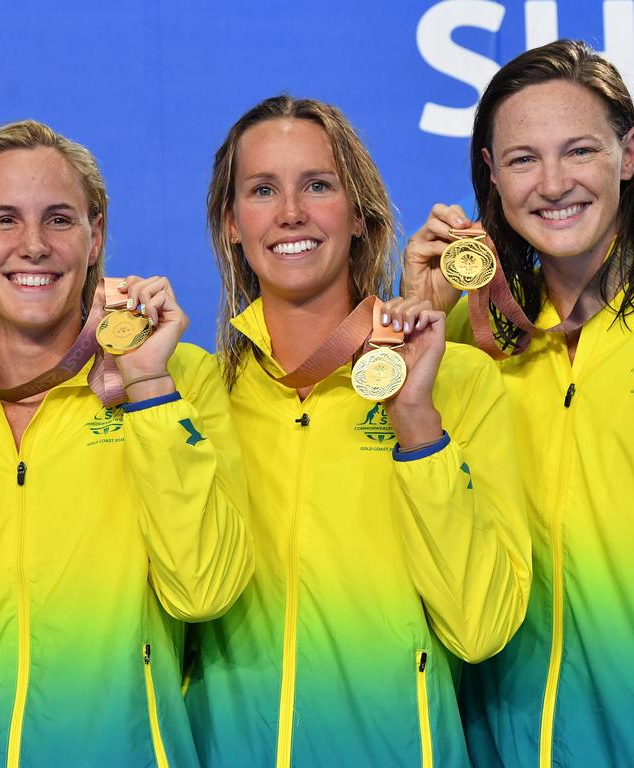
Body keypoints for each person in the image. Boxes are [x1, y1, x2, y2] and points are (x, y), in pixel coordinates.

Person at [184, 95, 531, 767]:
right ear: (231, 223)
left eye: (318, 185)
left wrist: (416, 424)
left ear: (361, 217)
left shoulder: (458, 382)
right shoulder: (201, 394)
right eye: (262, 190)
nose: (291, 213)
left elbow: (480, 627)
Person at [404, 39, 634, 767]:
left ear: (629, 155)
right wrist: (416, 312)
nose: (552, 184)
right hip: (504, 734)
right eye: (521, 159)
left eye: (578, 151)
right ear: (490, 174)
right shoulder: (461, 335)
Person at [0, 120, 253, 767]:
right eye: (3, 220)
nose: (34, 245)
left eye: (59, 219)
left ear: (95, 234)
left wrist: (148, 386)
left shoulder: (180, 379)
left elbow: (205, 589)